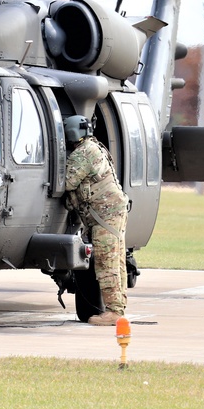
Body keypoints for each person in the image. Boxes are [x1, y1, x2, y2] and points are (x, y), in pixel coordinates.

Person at [63, 115, 129, 326]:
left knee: (106, 262)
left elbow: (66, 182)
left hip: (105, 215)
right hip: (111, 213)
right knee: (116, 261)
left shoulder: (83, 153)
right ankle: (117, 308)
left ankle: (113, 313)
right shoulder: (94, 147)